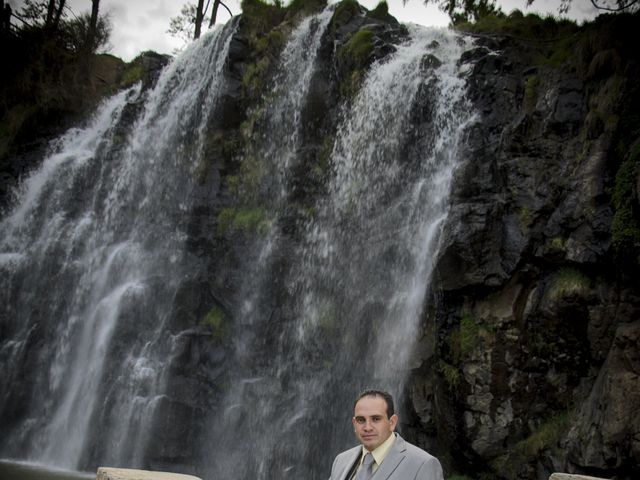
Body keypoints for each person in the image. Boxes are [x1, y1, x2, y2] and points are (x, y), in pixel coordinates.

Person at [328, 389, 443, 480]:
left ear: (392, 422)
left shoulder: (423, 464)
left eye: (376, 419)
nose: (367, 427)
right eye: (361, 420)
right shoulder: (341, 460)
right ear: (354, 423)